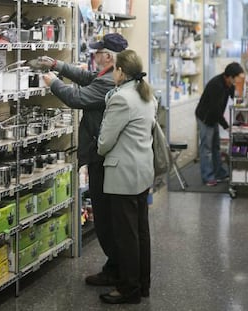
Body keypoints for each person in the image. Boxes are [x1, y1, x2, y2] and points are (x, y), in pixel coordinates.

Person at [30, 33, 128, 286]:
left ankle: (116, 269)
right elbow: (87, 79)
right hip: (105, 155)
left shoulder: (108, 82)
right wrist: (57, 65)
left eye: (98, 52)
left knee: (105, 219)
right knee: (107, 216)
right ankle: (115, 266)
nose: (94, 55)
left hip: (101, 156)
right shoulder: (110, 74)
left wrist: (53, 82)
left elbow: (78, 98)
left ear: (108, 57)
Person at [97, 49, 156, 304]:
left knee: (126, 236)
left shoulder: (121, 99)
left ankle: (128, 289)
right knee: (141, 232)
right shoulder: (146, 95)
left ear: (120, 71)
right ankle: (142, 284)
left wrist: (98, 143)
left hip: (123, 175)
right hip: (142, 171)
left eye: (114, 70)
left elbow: (104, 142)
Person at [195, 62, 245, 186]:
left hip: (214, 117)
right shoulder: (216, 85)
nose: (237, 82)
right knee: (206, 149)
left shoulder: (229, 84)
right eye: (236, 79)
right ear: (229, 76)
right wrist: (226, 126)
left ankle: (219, 173)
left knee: (215, 146)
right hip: (205, 117)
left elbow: (234, 98)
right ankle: (208, 177)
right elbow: (214, 109)